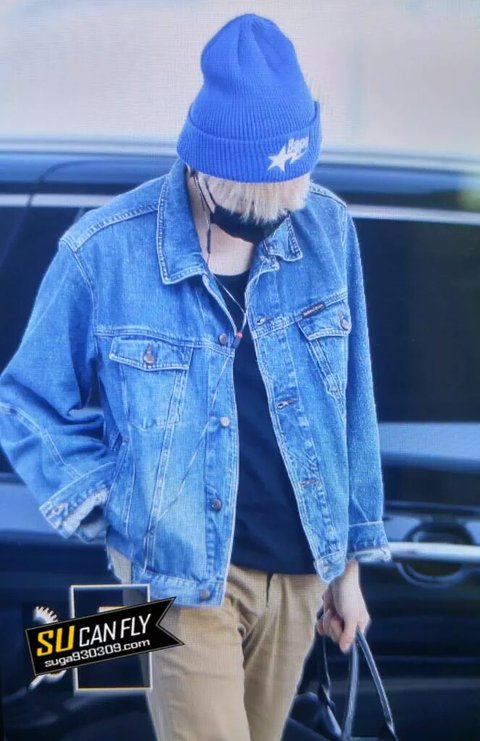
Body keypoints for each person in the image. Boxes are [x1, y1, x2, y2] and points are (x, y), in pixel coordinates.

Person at [0, 13, 392, 741]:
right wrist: (115, 504)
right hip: (184, 581)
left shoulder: (327, 228)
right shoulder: (106, 251)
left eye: (287, 199)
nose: (273, 220)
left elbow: (351, 403)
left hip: (300, 576)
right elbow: (24, 399)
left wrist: (347, 567)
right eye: (251, 206)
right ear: (204, 170)